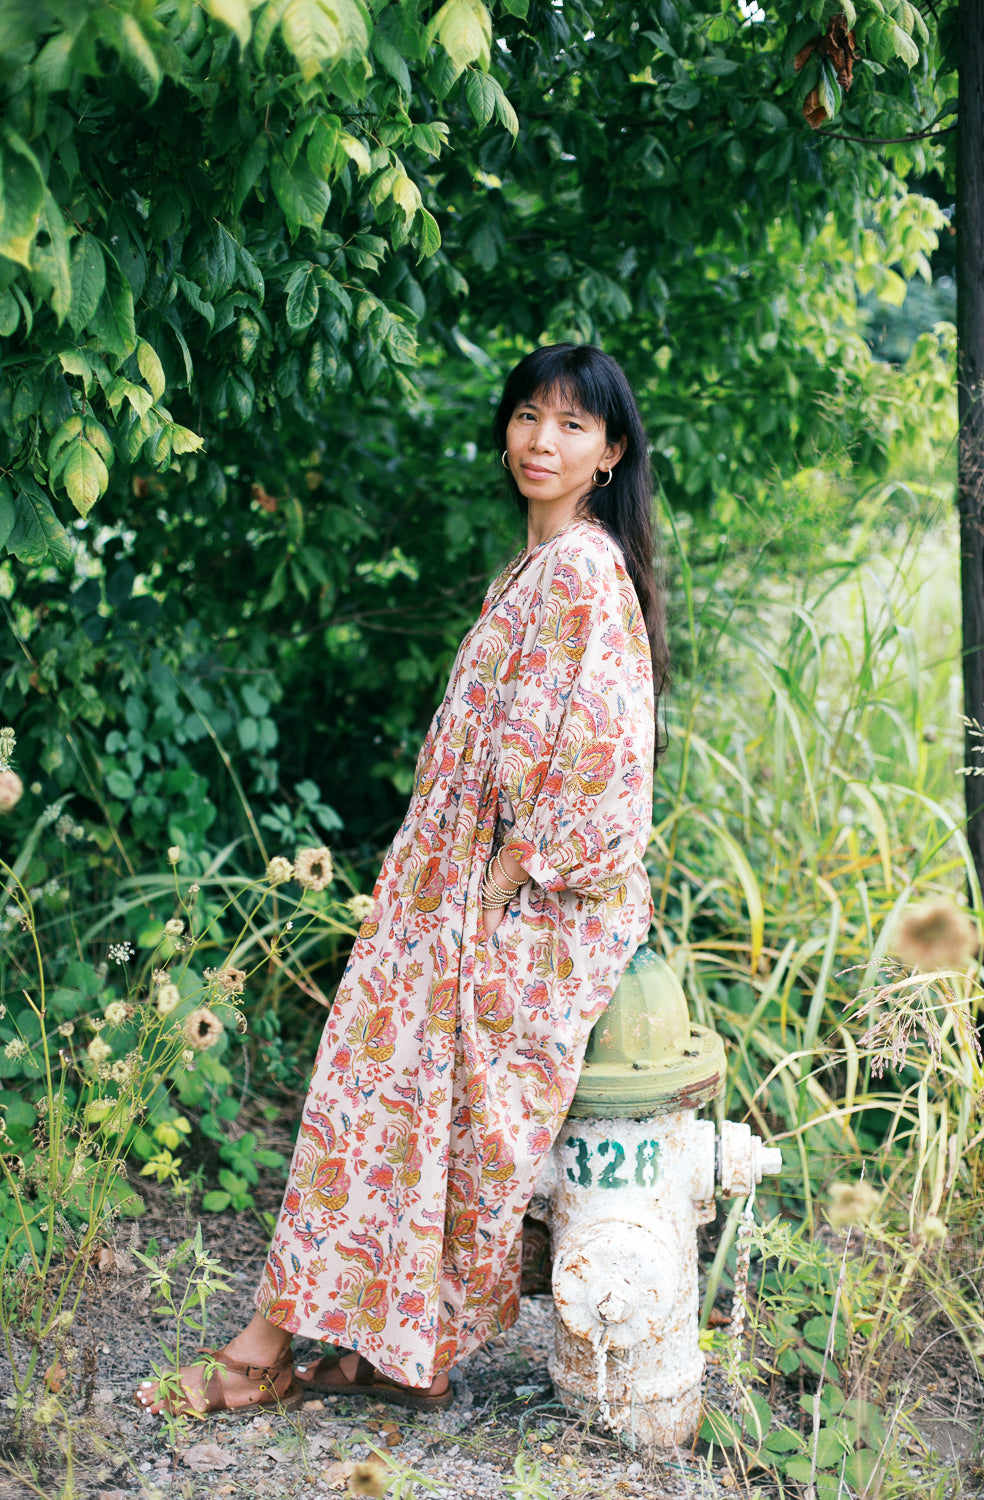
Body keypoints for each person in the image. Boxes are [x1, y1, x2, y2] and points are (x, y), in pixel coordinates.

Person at [135, 342, 668, 1418]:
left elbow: (611, 757)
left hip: (505, 903)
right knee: (380, 1105)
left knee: (365, 1097)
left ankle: (262, 1348)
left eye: (571, 425)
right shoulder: (535, 569)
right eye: (527, 415)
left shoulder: (580, 571)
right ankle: (399, 1352)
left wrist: (508, 875)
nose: (540, 440)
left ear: (609, 452)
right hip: (450, 890)